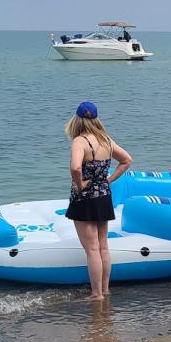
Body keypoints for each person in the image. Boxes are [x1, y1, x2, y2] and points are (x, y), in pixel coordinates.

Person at [65, 102, 132, 299]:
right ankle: (104, 289)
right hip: (103, 196)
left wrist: (79, 185)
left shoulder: (80, 141)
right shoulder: (106, 140)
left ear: (76, 120)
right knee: (103, 246)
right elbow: (127, 160)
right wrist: (109, 180)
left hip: (84, 199)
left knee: (92, 249)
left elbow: (76, 168)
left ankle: (96, 294)